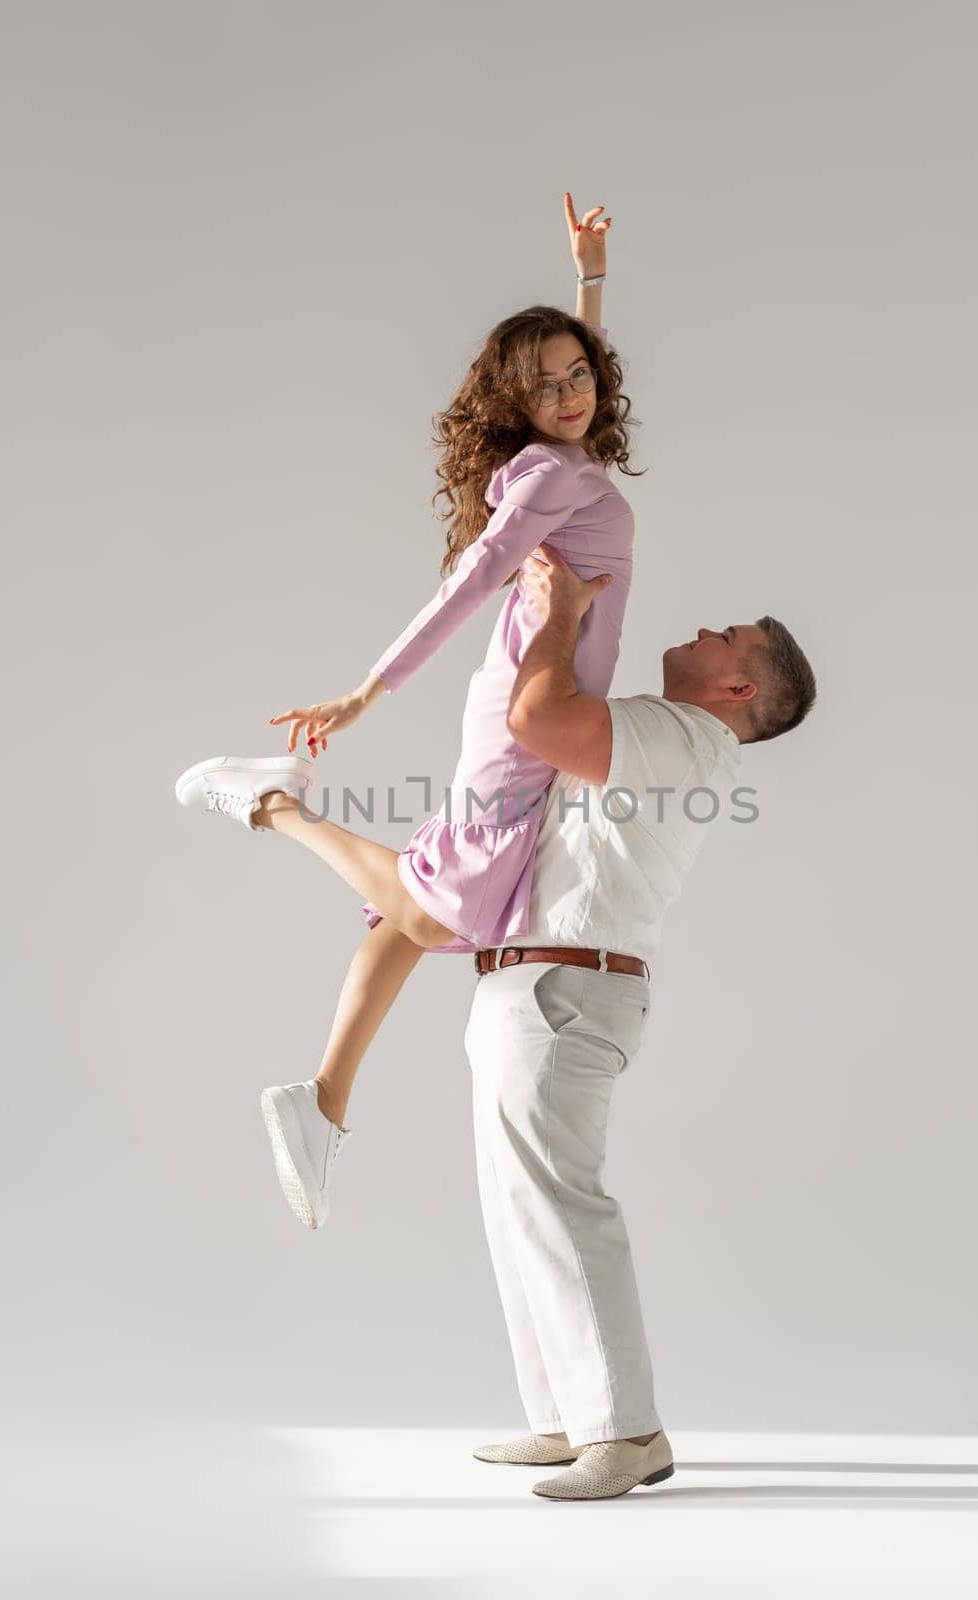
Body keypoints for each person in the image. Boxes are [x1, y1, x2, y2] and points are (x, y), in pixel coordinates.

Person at [174, 196, 645, 1218]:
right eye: (545, 386)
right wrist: (364, 691)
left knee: (414, 916)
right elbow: (471, 579)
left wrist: (590, 277)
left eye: (577, 377)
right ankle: (272, 805)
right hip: (526, 715)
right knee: (442, 906)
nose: (567, 395)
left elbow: (578, 376)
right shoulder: (544, 481)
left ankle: (323, 1097)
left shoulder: (566, 458)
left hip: (529, 700)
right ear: (513, 404)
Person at [464, 541, 817, 1498]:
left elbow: (534, 718)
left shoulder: (685, 735)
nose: (703, 629)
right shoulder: (667, 736)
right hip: (537, 984)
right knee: (517, 1204)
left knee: (559, 1202)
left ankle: (626, 1434)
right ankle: (567, 1420)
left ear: (740, 690)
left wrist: (558, 612)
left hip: (564, 991)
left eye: (726, 638)